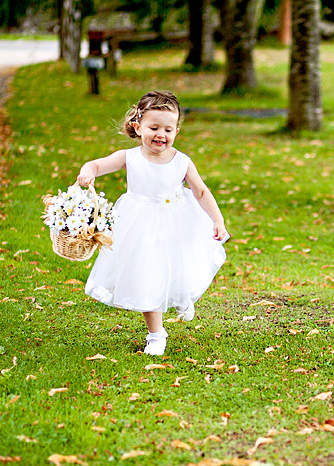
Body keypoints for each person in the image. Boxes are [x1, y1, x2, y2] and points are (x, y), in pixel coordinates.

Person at [77, 91, 229, 356]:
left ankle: (182, 298)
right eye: (154, 127)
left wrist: (217, 219)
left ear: (177, 131)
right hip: (140, 224)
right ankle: (156, 334)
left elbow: (202, 192)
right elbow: (98, 165)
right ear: (138, 127)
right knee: (147, 274)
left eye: (168, 129)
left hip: (177, 222)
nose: (161, 134)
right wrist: (88, 171)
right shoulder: (130, 157)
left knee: (181, 266)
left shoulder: (182, 161)